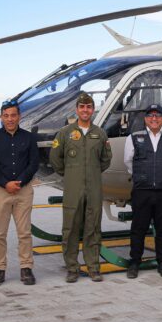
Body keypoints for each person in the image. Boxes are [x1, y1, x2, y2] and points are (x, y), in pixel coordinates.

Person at [49, 93, 113, 283]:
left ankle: (93, 267)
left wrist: (91, 172)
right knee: (70, 228)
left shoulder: (100, 134)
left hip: (94, 188)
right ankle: (72, 268)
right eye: (82, 107)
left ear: (93, 110)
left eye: (89, 107)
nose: (85, 110)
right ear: (76, 109)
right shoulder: (65, 133)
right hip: (73, 188)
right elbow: (55, 159)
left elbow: (106, 160)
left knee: (93, 227)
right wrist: (71, 174)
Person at [0, 100, 39, 286]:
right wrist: (5, 183)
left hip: (23, 191)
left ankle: (26, 268)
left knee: (24, 233)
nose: (10, 119)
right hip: (0, 191)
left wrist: (19, 182)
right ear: (1, 117)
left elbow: (33, 164)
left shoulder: (29, 138)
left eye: (13, 115)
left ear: (19, 117)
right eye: (6, 116)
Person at [124, 104, 162, 279]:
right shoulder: (134, 137)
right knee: (138, 229)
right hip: (142, 190)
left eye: (158, 115)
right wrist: (143, 176)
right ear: (145, 119)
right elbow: (128, 162)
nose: (154, 119)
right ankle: (135, 263)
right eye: (151, 116)